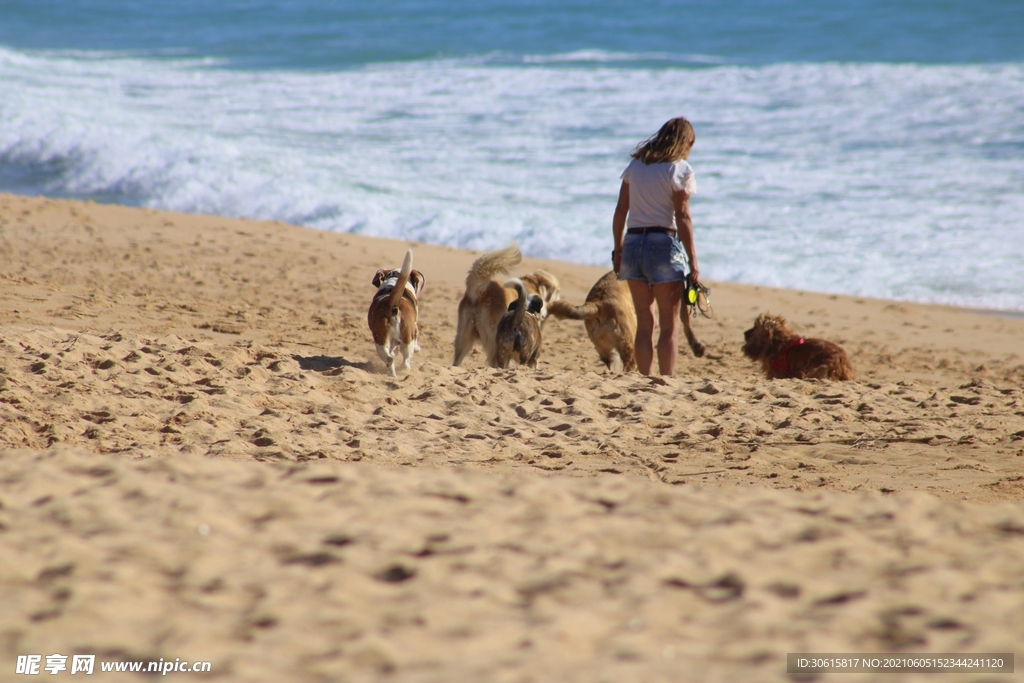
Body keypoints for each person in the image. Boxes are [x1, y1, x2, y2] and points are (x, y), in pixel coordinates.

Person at [612, 117, 700, 376]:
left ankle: (644, 379)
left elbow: (620, 212)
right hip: (662, 245)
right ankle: (666, 381)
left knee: (644, 322)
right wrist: (693, 261)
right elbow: (682, 216)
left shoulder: (635, 166)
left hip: (633, 245)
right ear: (685, 142)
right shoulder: (679, 169)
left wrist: (618, 251)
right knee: (669, 325)